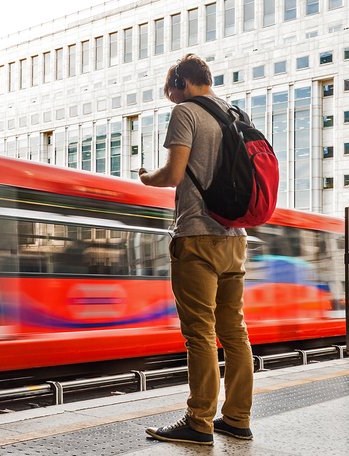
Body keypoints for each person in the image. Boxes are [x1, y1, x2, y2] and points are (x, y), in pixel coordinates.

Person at [138, 53, 254, 446]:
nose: (172, 100)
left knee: (200, 333)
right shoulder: (235, 112)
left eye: (171, 92)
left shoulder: (187, 111)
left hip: (197, 235)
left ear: (182, 83)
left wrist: (145, 178)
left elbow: (172, 174)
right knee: (235, 332)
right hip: (235, 238)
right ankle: (237, 417)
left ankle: (199, 421)